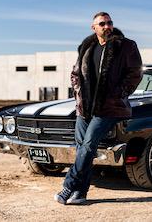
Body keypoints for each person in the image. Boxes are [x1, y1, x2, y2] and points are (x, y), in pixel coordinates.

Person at [54, 12, 143, 205]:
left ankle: (68, 185)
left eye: (109, 22)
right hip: (85, 108)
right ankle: (81, 193)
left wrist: (119, 93)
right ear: (93, 27)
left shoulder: (126, 46)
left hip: (109, 107)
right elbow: (75, 73)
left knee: (88, 146)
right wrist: (78, 91)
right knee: (81, 149)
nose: (107, 26)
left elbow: (135, 73)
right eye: (102, 23)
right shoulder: (87, 47)